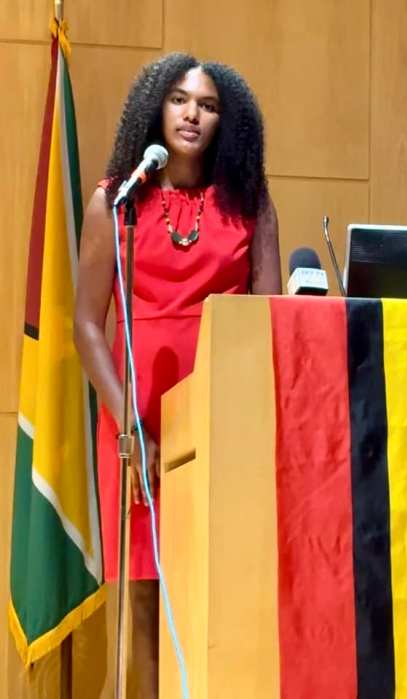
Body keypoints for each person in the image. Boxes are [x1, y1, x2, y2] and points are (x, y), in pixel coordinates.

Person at [74, 52, 281, 698]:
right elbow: (86, 323)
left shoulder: (249, 203)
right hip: (136, 422)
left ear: (228, 121)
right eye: (180, 99)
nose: (193, 113)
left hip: (220, 416)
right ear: (155, 108)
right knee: (141, 603)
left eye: (209, 104)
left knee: (214, 597)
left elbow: (269, 316)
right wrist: (126, 423)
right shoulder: (115, 201)